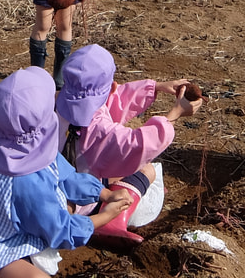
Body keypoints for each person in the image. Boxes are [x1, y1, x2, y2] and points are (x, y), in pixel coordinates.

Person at [0, 67, 132, 278]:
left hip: (11, 232)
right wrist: (106, 216)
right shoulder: (25, 182)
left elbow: (65, 175)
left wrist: (104, 194)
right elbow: (61, 230)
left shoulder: (6, 144)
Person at [56, 44, 203, 244]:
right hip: (82, 196)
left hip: (49, 185)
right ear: (113, 86)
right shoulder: (101, 130)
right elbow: (139, 144)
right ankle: (111, 222)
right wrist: (175, 113)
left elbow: (109, 101)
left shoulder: (51, 104)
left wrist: (156, 87)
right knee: (146, 170)